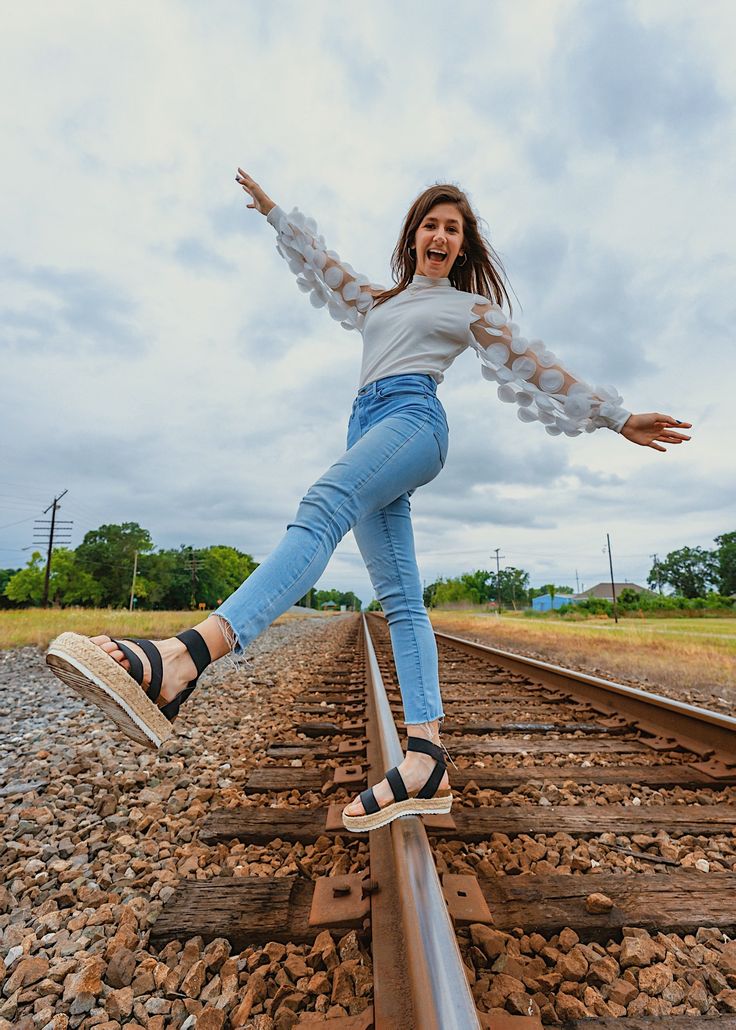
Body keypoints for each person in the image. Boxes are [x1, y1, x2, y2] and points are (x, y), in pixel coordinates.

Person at [46, 170, 693, 833]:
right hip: (370, 425)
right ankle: (427, 758)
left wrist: (616, 416)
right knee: (402, 599)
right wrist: (274, 212)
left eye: (454, 229)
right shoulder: (380, 302)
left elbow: (537, 367)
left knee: (323, 505)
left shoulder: (467, 310)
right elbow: (324, 268)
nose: (441, 235)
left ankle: (184, 658)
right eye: (432, 224)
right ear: (413, 236)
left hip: (414, 421)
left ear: (462, 249)